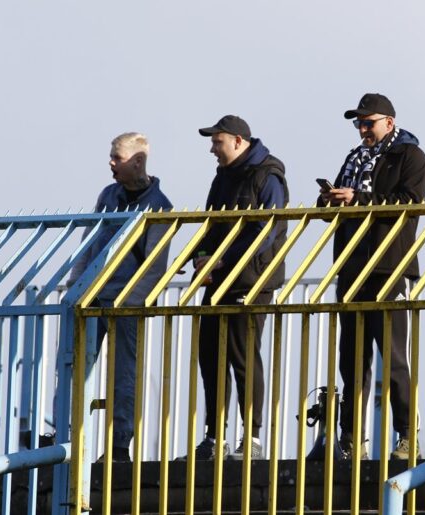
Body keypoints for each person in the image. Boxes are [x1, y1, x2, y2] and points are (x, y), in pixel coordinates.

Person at [318, 93, 425, 460]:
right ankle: (352, 439)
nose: (362, 130)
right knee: (351, 360)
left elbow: (409, 203)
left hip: (389, 267)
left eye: (368, 122)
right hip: (352, 268)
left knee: (394, 358)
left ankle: (407, 437)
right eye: (359, 123)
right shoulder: (354, 158)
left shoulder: (411, 156)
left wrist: (359, 199)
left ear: (389, 122)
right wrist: (329, 200)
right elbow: (340, 204)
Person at [68, 132, 173, 462]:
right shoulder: (108, 195)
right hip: (93, 296)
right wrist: (76, 286)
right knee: (73, 365)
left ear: (137, 161)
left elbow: (155, 265)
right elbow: (90, 241)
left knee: (123, 373)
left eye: (117, 157)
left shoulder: (160, 206)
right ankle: (67, 437)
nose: (111, 162)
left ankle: (118, 445)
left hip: (126, 302)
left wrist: (131, 302)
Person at [189, 115, 288, 460]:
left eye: (217, 142)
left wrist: (223, 259)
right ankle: (214, 438)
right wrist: (200, 257)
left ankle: (253, 438)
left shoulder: (268, 174)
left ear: (237, 141)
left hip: (252, 280)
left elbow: (266, 231)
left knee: (243, 355)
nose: (212, 149)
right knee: (210, 357)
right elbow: (212, 226)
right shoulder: (223, 176)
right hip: (219, 279)